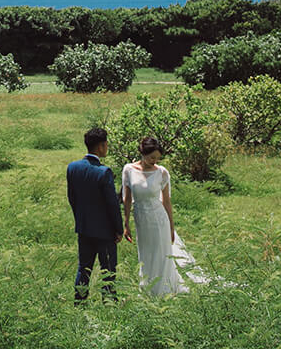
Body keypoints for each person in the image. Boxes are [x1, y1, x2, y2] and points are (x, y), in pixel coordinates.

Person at [122, 135, 198, 297]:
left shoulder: (162, 173)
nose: (154, 161)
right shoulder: (129, 170)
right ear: (142, 153)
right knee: (146, 252)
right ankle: (148, 286)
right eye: (151, 157)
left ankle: (164, 288)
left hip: (159, 218)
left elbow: (167, 202)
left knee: (161, 253)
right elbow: (127, 198)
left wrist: (171, 227)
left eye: (157, 158)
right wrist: (126, 222)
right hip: (141, 219)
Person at [65, 126, 124, 302]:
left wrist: (80, 219)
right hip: (104, 231)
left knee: (84, 268)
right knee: (108, 269)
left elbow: (72, 198)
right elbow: (112, 204)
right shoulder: (103, 172)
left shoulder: (73, 168)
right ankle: (109, 301)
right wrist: (119, 230)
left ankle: (80, 301)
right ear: (100, 146)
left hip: (84, 228)